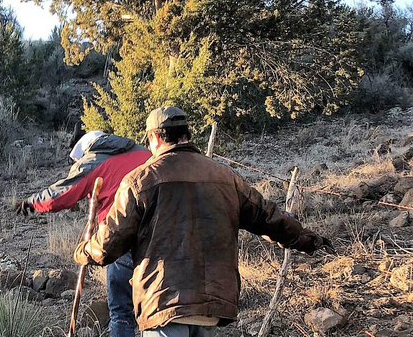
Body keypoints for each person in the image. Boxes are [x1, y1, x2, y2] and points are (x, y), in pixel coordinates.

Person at [74, 107, 334, 337]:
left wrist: (83, 251)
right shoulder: (225, 176)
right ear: (186, 134)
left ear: (153, 138)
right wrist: (308, 240)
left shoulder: (139, 181)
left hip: (164, 304)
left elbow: (108, 245)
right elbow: (269, 217)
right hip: (212, 305)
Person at [15, 129, 151, 337]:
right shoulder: (145, 153)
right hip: (160, 235)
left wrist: (32, 203)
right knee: (157, 306)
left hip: (121, 237)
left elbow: (62, 195)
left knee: (122, 311)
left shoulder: (93, 160)